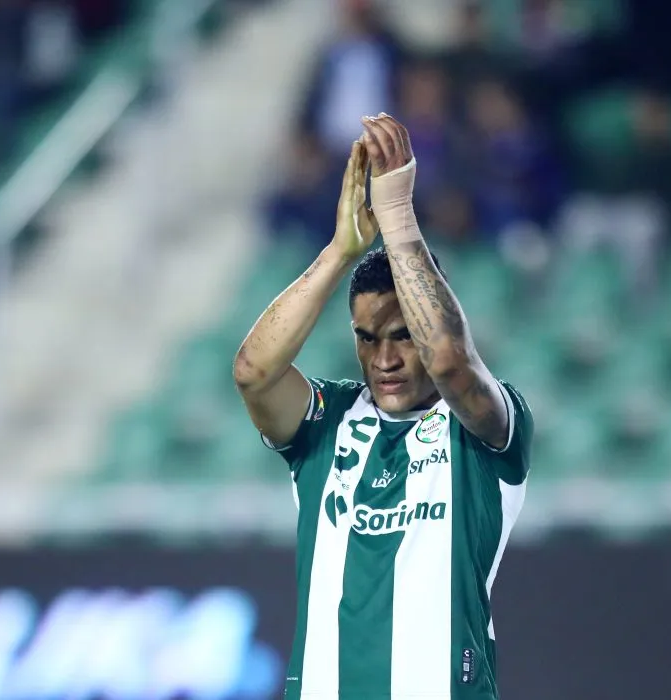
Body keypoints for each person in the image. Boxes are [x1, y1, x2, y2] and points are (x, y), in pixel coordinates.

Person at [233, 114, 533, 698]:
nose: (385, 358)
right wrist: (341, 251)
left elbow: (448, 360)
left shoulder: (484, 429)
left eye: (402, 335)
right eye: (367, 339)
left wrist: (397, 220)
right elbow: (253, 372)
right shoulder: (329, 421)